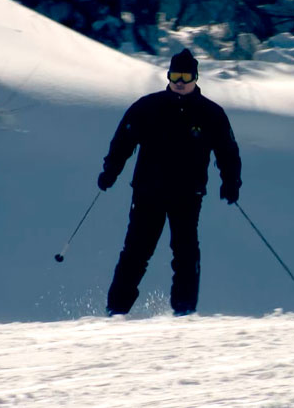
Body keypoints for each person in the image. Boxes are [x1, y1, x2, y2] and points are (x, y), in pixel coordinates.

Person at [97, 48, 242, 316]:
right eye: (175, 74)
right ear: (168, 75)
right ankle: (116, 309)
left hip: (187, 195)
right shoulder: (147, 107)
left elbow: (227, 151)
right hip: (147, 192)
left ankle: (184, 310)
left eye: (186, 75)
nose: (180, 81)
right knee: (136, 252)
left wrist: (230, 182)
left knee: (185, 252)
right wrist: (110, 172)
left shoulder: (210, 113)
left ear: (196, 77)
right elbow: (123, 142)